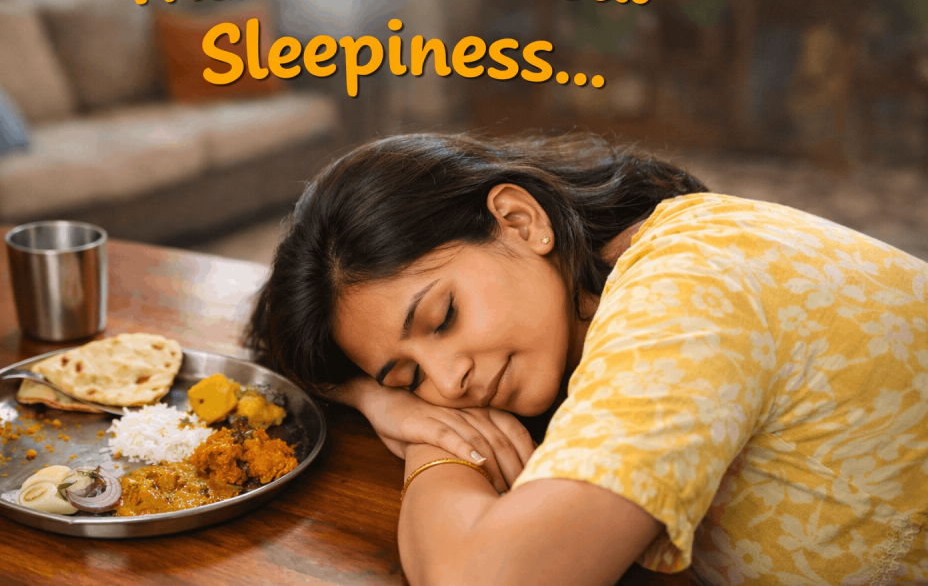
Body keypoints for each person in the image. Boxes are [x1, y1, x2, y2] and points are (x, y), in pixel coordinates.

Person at [247, 133, 928, 586]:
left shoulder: (685, 291)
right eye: (412, 372)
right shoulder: (595, 292)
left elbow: (480, 577)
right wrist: (377, 396)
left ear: (520, 221)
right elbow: (273, 347)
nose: (450, 379)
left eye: (442, 317)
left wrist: (434, 438)